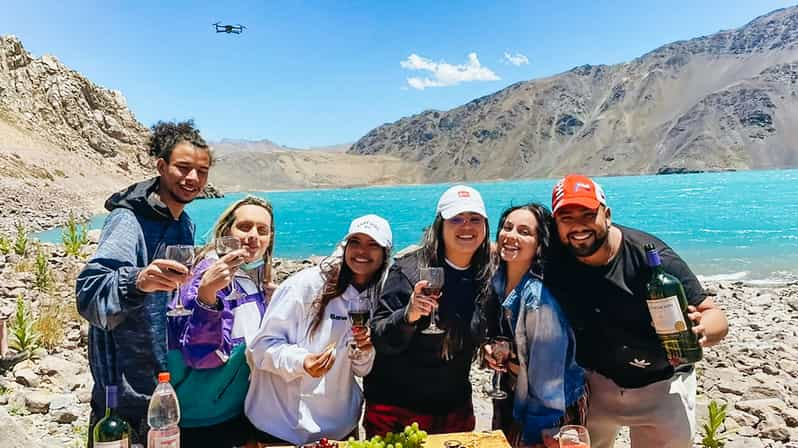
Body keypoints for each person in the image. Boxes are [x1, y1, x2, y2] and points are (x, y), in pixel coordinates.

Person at [545, 174, 729, 448]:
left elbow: (715, 315)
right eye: (566, 218)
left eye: (587, 214)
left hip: (661, 383)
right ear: (555, 224)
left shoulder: (651, 259)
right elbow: (506, 248)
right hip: (595, 385)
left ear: (606, 215)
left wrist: (702, 330)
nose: (578, 226)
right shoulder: (556, 256)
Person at [76, 120, 212, 446]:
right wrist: (138, 280)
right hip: (124, 402)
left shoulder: (185, 224)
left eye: (202, 171)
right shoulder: (128, 221)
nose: (192, 178)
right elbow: (90, 293)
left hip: (163, 392)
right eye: (183, 167)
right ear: (161, 166)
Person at [245, 215, 393, 445]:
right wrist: (302, 362)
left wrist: (364, 351)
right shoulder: (304, 286)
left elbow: (360, 370)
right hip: (279, 427)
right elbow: (260, 349)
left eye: (373, 244)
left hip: (339, 428)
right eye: (355, 242)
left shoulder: (381, 295)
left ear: (385, 253)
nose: (362, 251)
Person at [364, 185, 492, 437]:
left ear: (485, 227)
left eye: (475, 219)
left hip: (454, 409)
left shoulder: (486, 274)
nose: (466, 226)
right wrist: (407, 315)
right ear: (440, 226)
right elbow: (378, 336)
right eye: (456, 219)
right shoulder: (409, 271)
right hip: (397, 411)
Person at [167, 195, 276, 448]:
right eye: (244, 226)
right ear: (226, 230)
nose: (253, 236)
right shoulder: (206, 275)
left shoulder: (250, 280)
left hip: (233, 414)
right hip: (196, 421)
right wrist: (207, 297)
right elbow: (200, 355)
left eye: (262, 230)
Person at [483, 203, 587, 448]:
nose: (511, 236)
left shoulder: (538, 299)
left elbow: (548, 378)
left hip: (548, 409)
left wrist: (538, 434)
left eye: (524, 232)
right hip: (514, 394)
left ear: (540, 244)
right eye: (507, 227)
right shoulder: (498, 280)